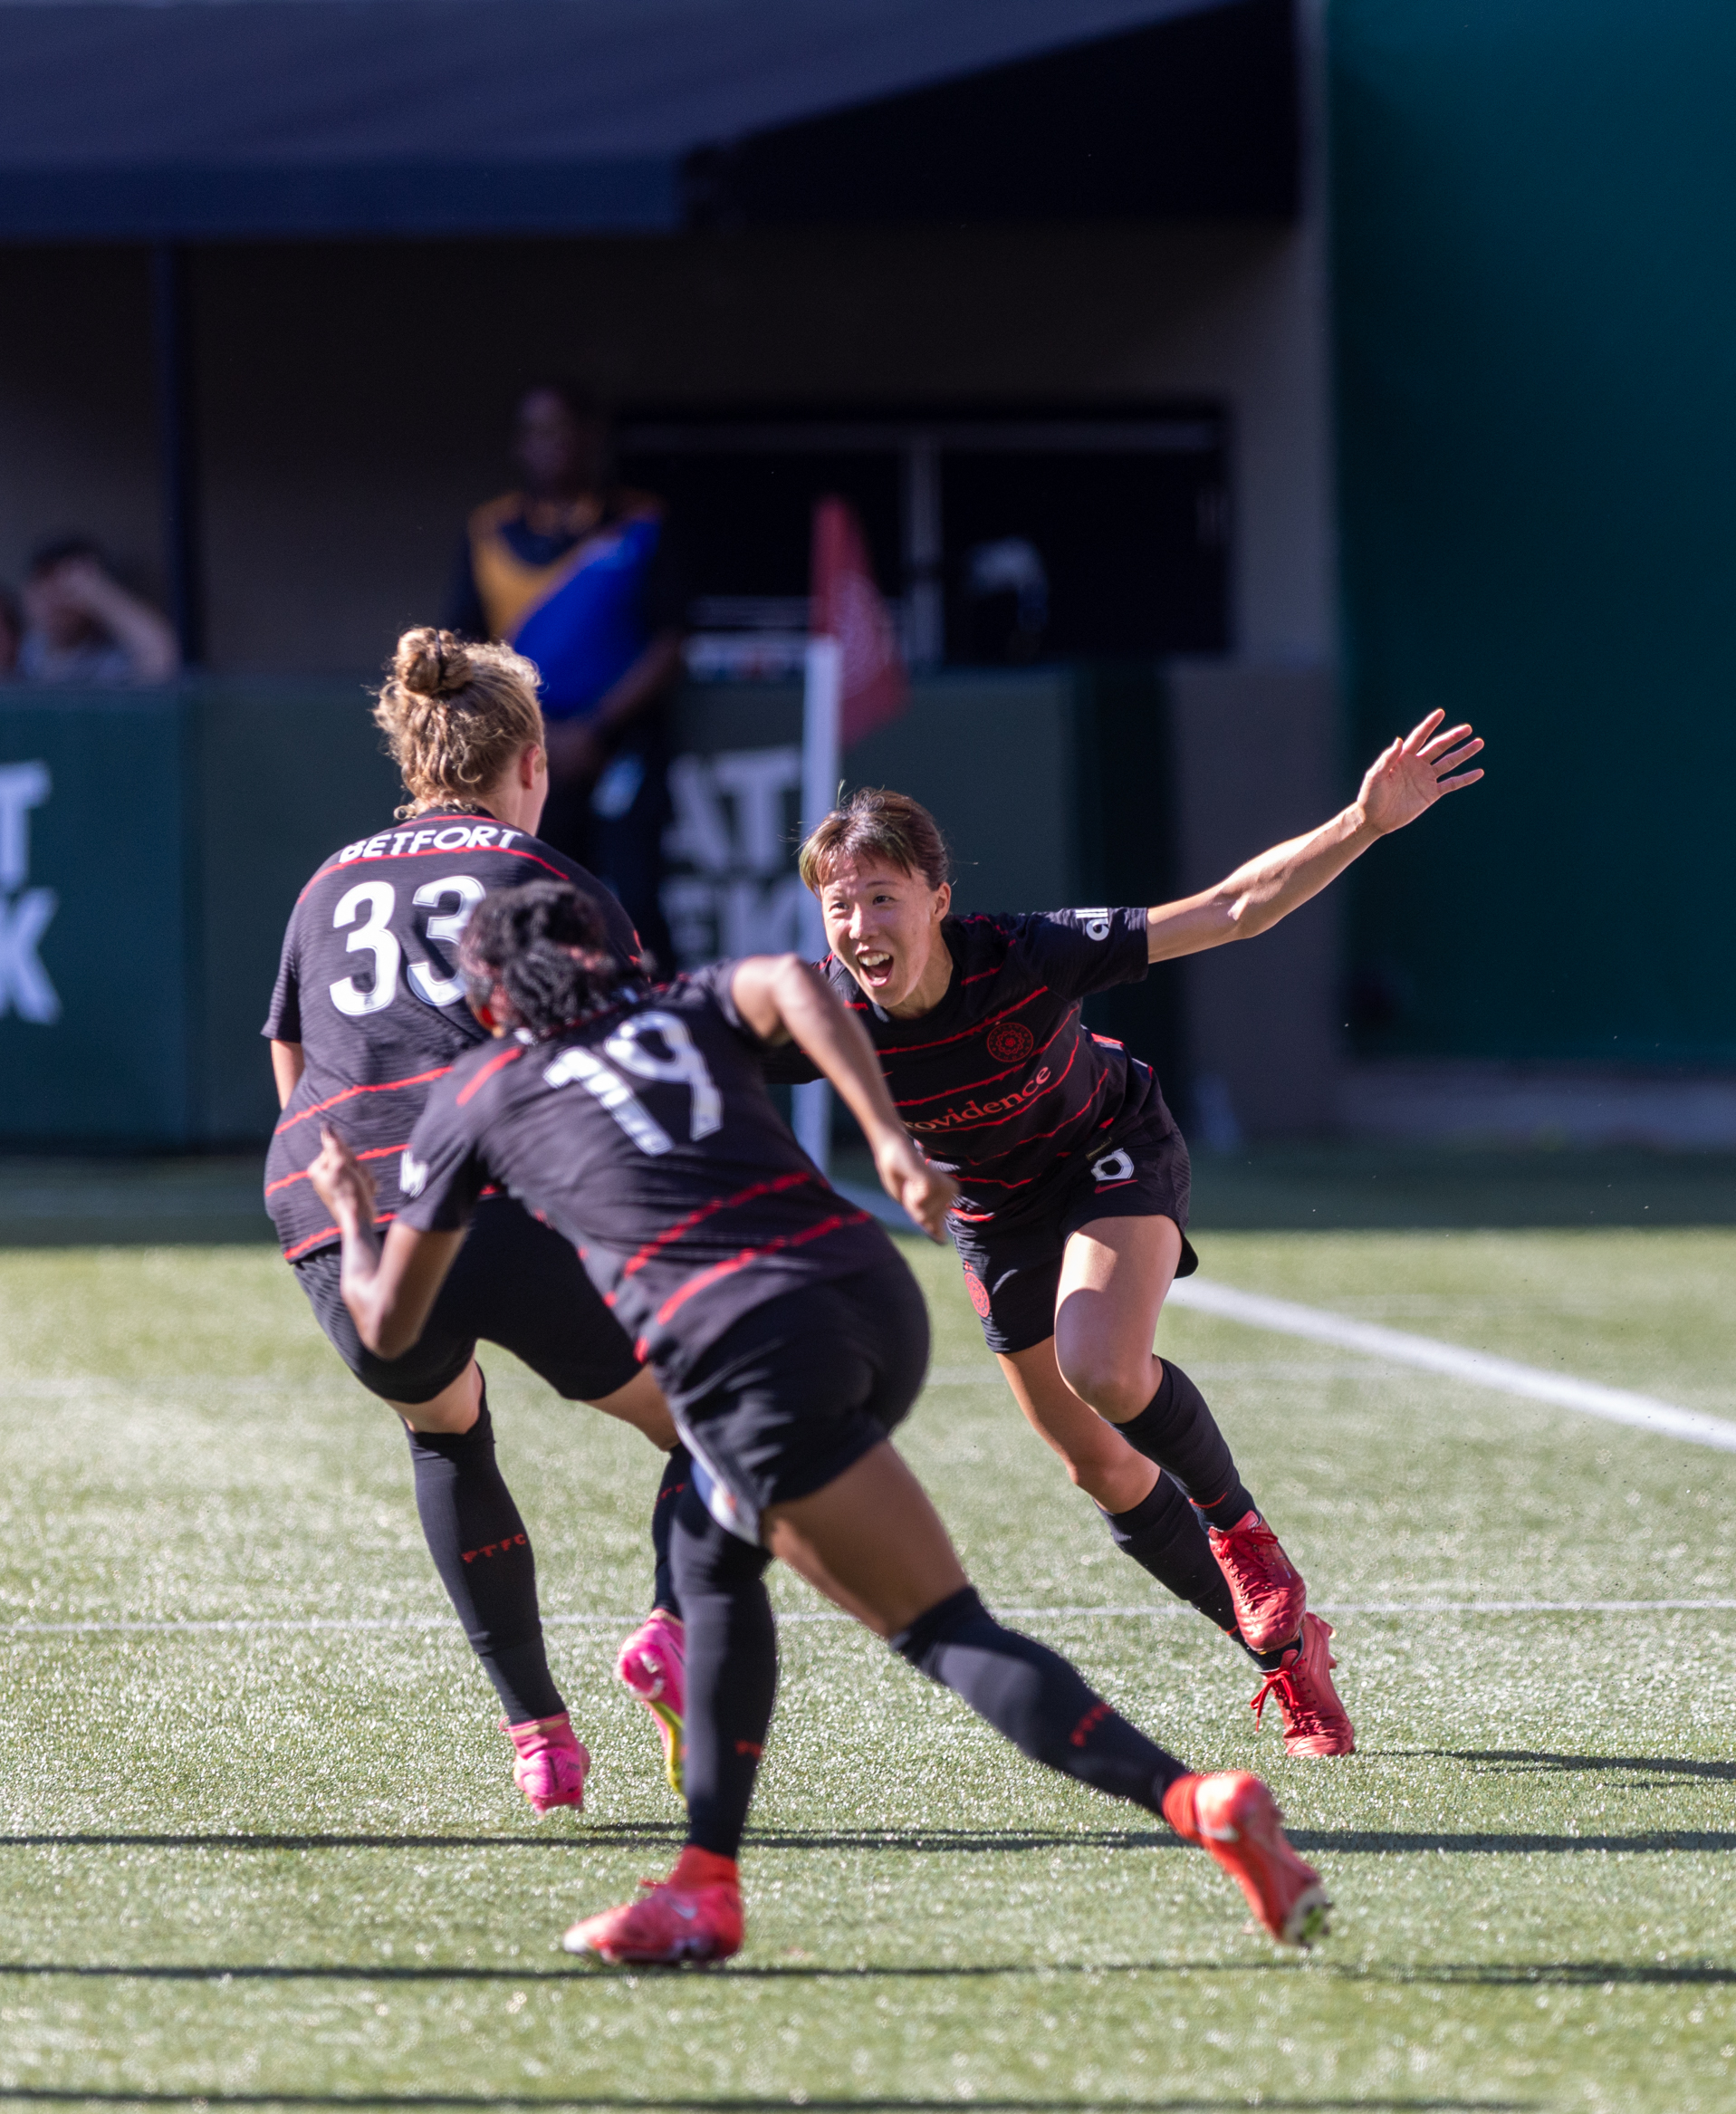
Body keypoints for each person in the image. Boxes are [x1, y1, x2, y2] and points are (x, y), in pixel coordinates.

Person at [304, 880, 1328, 1964]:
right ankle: (706, 1882)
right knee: (708, 1553)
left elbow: (384, 1332)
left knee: (942, 1631)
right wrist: (887, 1140)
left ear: (493, 998)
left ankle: (1195, 1804)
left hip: (756, 1356)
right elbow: (794, 979)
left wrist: (350, 1219)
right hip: (870, 1299)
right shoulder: (687, 1003)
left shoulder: (477, 1090)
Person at [783, 711, 1487, 1759]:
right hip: (997, 1213)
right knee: (1099, 1468)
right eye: (838, 906)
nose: (858, 924)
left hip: (1110, 1147)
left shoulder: (1023, 954)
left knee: (1101, 1367)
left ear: (938, 897)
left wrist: (1361, 822)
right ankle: (1289, 1657)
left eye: (881, 897)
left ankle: (1244, 1534)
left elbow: (1234, 909)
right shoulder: (828, 1015)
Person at [264, 629, 695, 1815]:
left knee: (444, 1435)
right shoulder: (550, 880)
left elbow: (294, 1063)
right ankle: (670, 1630)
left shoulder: (326, 881)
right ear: (533, 759)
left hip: (335, 1207)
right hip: (490, 1183)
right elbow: (628, 1073)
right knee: (717, 1420)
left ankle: (539, 1738)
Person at [446, 382, 686, 964]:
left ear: (589, 437)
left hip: (621, 750)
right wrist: (534, 736)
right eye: (534, 432)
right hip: (526, 753)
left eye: (560, 430)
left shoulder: (642, 520)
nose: (547, 445)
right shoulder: (488, 532)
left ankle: (656, 1032)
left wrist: (597, 730)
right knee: (533, 905)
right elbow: (465, 651)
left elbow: (670, 642)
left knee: (633, 902)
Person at [17, 537, 178, 685]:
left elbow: (160, 661)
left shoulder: (110, 662)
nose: (52, 599)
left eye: (67, 589)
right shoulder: (25, 650)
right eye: (42, 582)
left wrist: (98, 593)